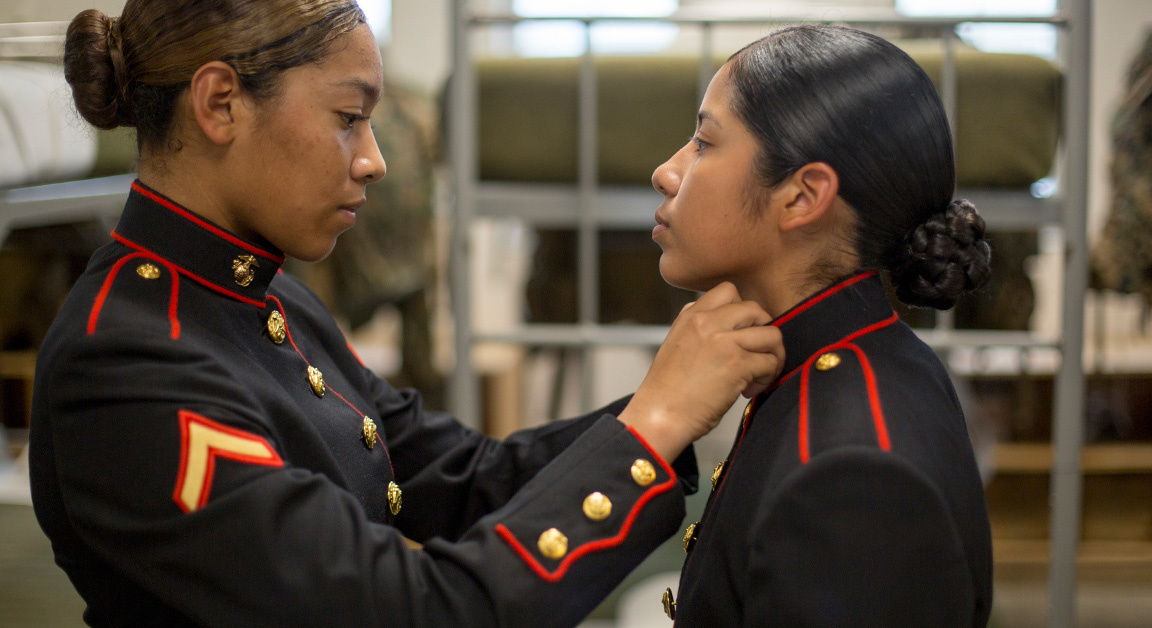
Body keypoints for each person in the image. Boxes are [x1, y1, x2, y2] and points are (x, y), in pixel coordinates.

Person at [30, 2, 785, 626]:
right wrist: (650, 425)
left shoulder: (269, 299)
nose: (375, 160)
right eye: (348, 117)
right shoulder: (130, 363)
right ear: (221, 103)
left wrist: (671, 409)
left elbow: (459, 476)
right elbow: (412, 613)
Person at [651, 24, 993, 627]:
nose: (667, 172)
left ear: (802, 197)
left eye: (703, 143)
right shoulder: (863, 359)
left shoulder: (852, 477)